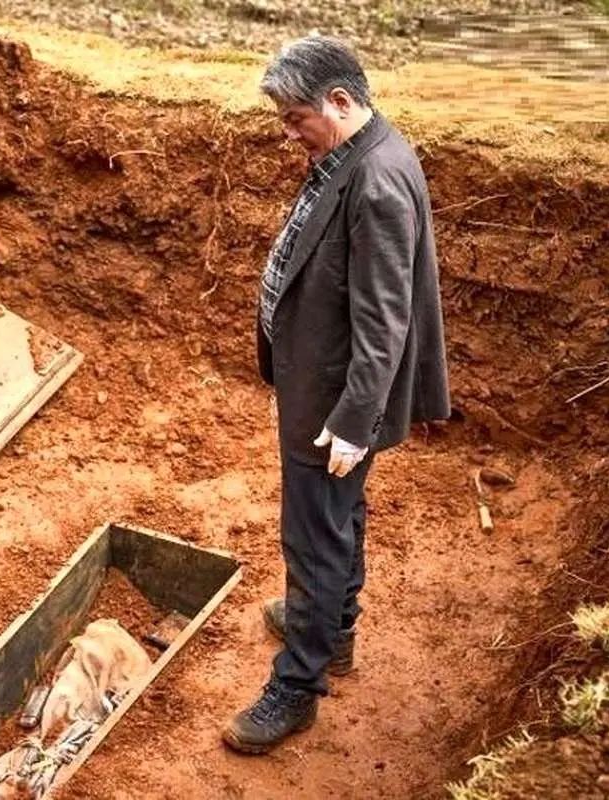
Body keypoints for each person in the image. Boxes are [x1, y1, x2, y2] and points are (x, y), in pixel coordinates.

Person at [222, 36, 450, 754]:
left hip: (334, 402)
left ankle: (297, 685)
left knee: (314, 537)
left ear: (341, 101)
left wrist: (353, 422)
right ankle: (335, 629)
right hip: (326, 386)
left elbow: (384, 319)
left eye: (296, 119)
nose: (289, 133)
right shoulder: (357, 152)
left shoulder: (376, 182)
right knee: (338, 514)